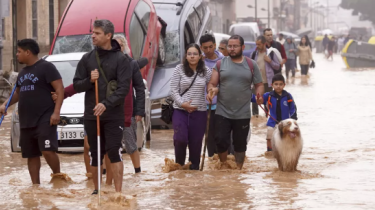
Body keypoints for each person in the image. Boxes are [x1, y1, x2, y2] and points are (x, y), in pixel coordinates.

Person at [73, 19, 132, 194]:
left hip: (113, 115)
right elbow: (77, 85)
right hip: (92, 114)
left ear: (108, 35)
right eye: (92, 32)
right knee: (95, 152)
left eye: (97, 33)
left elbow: (123, 90)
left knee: (114, 151)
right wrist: (89, 80)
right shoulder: (87, 58)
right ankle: (96, 191)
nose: (93, 36)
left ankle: (118, 194)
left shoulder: (121, 59)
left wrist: (106, 104)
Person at [0, 39, 65, 184]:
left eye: (19, 51)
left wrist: (56, 112)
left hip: (45, 118)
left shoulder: (47, 67)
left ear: (28, 52)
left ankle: (58, 176)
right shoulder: (22, 73)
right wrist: (5, 105)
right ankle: (35, 186)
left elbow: (60, 89)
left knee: (48, 151)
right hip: (26, 120)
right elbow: (17, 93)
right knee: (31, 155)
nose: (17, 54)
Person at [207, 35, 264, 169]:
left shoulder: (251, 64)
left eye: (235, 46)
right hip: (222, 111)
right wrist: (211, 91)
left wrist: (259, 95)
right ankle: (223, 165)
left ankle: (238, 170)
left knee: (240, 144)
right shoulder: (220, 63)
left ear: (242, 47)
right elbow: (212, 83)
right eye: (230, 46)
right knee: (220, 140)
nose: (232, 49)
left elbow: (259, 84)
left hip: (242, 112)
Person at [170, 43, 212, 170]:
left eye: (195, 54)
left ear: (200, 56)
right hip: (180, 111)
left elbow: (212, 86)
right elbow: (173, 90)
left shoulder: (206, 71)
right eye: (189, 54)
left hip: (199, 112)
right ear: (186, 56)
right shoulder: (179, 69)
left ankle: (194, 172)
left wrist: (210, 93)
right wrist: (182, 104)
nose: (192, 56)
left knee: (196, 143)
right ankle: (180, 167)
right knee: (180, 139)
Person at [113, 34, 145, 175]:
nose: (117, 48)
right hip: (110, 110)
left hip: (128, 110)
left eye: (120, 45)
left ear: (124, 47)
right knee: (111, 145)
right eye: (115, 45)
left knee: (131, 143)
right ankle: (107, 174)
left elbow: (139, 88)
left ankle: (137, 172)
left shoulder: (131, 64)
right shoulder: (107, 63)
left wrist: (139, 111)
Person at [251, 74, 297, 151]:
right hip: (272, 122)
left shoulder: (288, 96)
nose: (278, 86)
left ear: (284, 85)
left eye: (280, 84)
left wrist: (293, 120)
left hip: (285, 123)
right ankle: (269, 151)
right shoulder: (268, 96)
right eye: (276, 84)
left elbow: (293, 109)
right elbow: (258, 100)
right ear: (272, 85)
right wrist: (251, 96)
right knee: (269, 136)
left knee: (287, 139)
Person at [199, 34, 226, 157]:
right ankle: (212, 161)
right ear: (201, 48)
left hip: (222, 104)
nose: (208, 50)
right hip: (205, 105)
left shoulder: (224, 61)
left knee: (221, 136)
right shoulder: (199, 62)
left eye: (210, 47)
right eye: (205, 48)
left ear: (215, 45)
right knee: (209, 136)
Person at [251, 36, 280, 116]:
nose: (257, 46)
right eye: (256, 44)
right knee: (254, 102)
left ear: (264, 44)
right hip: (256, 82)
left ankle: (267, 118)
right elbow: (250, 67)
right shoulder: (254, 54)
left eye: (259, 44)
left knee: (267, 102)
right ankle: (255, 120)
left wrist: (269, 61)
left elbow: (277, 66)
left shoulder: (271, 53)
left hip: (268, 82)